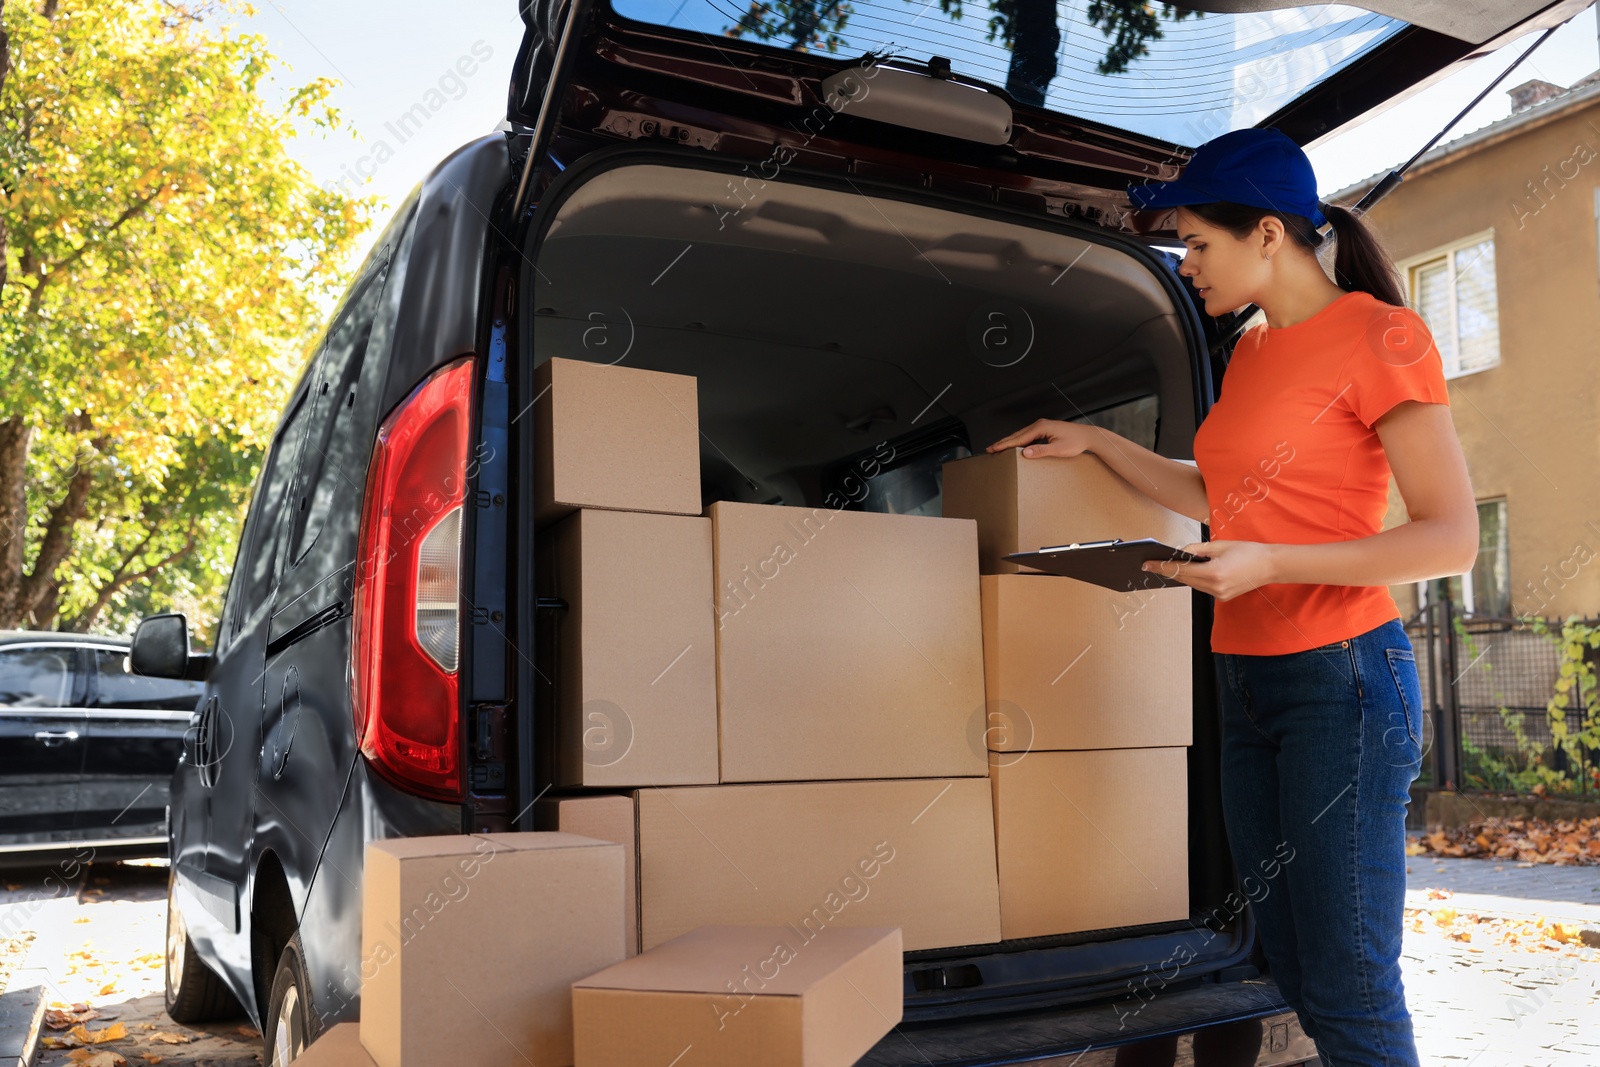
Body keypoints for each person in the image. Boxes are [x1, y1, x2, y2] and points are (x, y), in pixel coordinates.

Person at [987, 127, 1478, 1067]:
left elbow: (1450, 537)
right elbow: (1224, 497)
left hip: (1344, 681)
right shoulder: (1251, 351)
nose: (1186, 262)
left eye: (1197, 243)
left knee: (1352, 982)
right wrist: (1100, 444)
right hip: (1245, 679)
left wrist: (1271, 565)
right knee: (1289, 962)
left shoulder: (1382, 336)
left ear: (1265, 234)